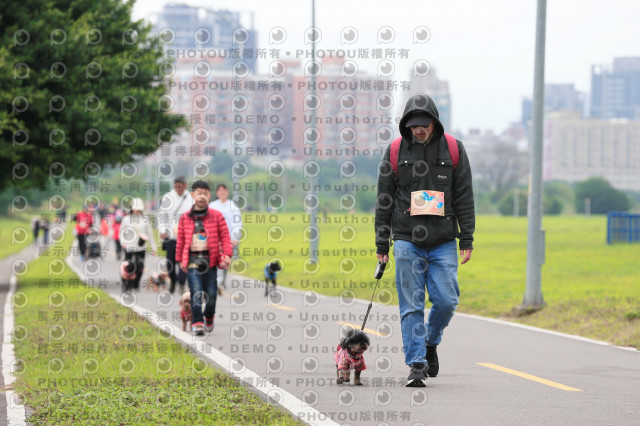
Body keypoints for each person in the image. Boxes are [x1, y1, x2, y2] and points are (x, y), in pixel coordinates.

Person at [374, 93, 475, 387]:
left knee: (446, 301)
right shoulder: (395, 151)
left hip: (443, 239)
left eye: (424, 124)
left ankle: (431, 342)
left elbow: (464, 196)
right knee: (411, 304)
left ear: (434, 123)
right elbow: (384, 199)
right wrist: (382, 243)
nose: (419, 129)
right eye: (414, 125)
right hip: (406, 239)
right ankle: (416, 363)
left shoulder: (454, 149)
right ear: (407, 125)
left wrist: (466, 238)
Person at [176, 180, 232, 336]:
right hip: (193, 261)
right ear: (192, 195)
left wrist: (227, 254)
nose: (202, 197)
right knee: (196, 292)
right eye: (199, 193)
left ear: (209, 196)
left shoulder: (217, 216)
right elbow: (180, 241)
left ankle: (209, 316)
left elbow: (225, 237)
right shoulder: (185, 218)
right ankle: (197, 322)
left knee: (212, 294)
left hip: (211, 261)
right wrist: (180, 259)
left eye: (205, 194)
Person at [157, 176, 193, 294]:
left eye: (180, 187)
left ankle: (182, 283)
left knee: (184, 261)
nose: (178, 189)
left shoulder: (191, 198)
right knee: (170, 261)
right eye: (176, 186)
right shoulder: (168, 197)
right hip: (171, 236)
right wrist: (162, 230)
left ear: (185, 186)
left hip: (186, 236)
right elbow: (162, 215)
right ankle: (173, 280)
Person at [209, 183, 243, 295]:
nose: (222, 193)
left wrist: (235, 237)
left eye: (224, 190)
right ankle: (217, 282)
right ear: (217, 193)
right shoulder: (212, 205)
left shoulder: (233, 206)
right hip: (215, 238)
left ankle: (221, 281)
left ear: (227, 192)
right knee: (216, 260)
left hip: (228, 239)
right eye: (220, 191)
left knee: (225, 261)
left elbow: (237, 223)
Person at [119, 198, 157, 291]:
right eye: (136, 208)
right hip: (129, 246)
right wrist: (123, 242)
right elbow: (121, 232)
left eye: (139, 209)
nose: (137, 210)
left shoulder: (145, 220)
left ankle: (136, 284)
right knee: (128, 266)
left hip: (141, 247)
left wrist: (153, 248)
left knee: (140, 266)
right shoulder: (126, 219)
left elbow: (150, 235)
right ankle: (126, 283)